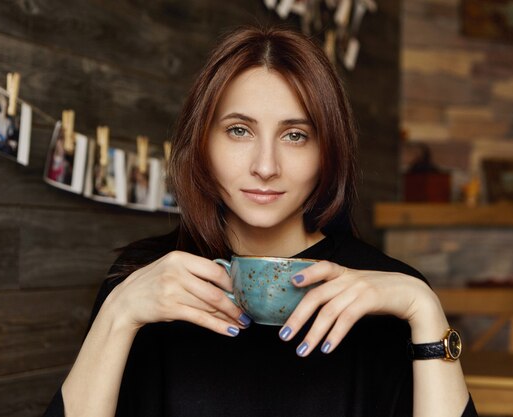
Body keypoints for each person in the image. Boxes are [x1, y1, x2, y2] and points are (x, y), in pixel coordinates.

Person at [44, 26, 477, 417]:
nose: (266, 166)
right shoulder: (146, 282)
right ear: (203, 143)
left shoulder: (387, 294)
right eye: (238, 131)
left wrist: (424, 308)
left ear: (328, 151)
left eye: (295, 135)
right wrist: (119, 312)